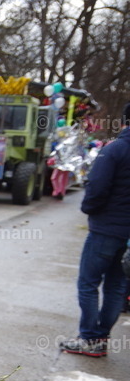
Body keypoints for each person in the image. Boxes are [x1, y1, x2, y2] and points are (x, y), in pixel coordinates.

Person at [59, 113, 130, 357]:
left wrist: (89, 209)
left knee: (89, 283)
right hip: (126, 236)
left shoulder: (114, 150)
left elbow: (97, 187)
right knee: (116, 285)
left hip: (106, 229)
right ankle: (101, 338)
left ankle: (89, 337)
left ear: (124, 122)